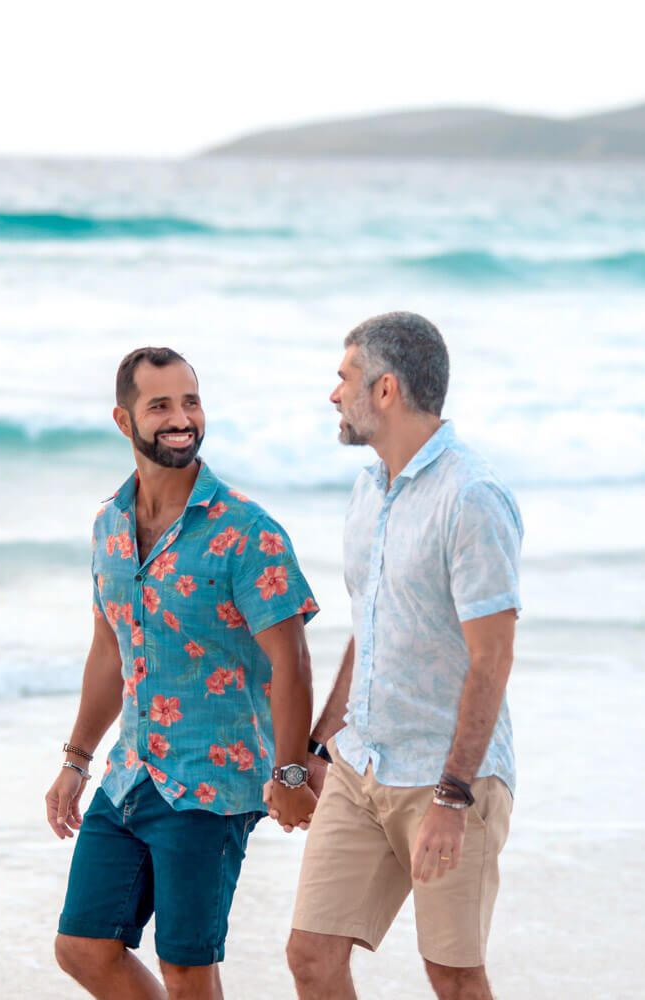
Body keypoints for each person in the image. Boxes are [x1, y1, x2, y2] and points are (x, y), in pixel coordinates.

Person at [47, 347, 319, 1000]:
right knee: (83, 947)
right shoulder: (109, 525)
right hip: (131, 771)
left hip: (212, 781)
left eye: (190, 401)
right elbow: (110, 651)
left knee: (187, 966)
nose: (181, 418)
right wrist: (77, 760)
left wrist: (288, 772)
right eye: (161, 405)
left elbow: (292, 660)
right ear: (124, 420)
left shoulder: (248, 531)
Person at [280, 312, 523, 1000]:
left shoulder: (472, 497)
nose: (334, 394)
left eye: (344, 377)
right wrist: (324, 745)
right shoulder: (368, 490)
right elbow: (372, 626)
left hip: (446, 779)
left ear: (385, 390)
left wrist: (453, 794)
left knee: (451, 973)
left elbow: (492, 660)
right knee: (311, 955)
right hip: (363, 767)